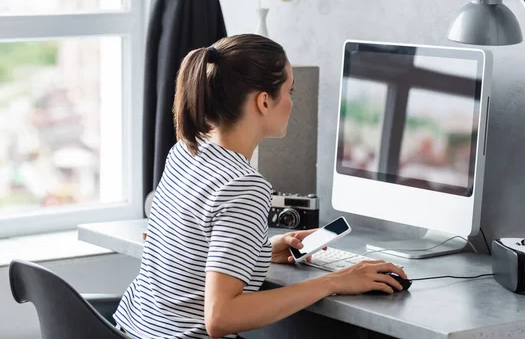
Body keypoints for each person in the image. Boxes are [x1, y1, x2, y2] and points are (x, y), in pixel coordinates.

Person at [113, 34, 407, 339]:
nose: (292, 102)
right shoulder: (243, 186)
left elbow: (190, 254)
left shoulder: (187, 151)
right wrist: (334, 281)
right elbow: (221, 317)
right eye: (289, 90)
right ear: (264, 101)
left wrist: (261, 251)